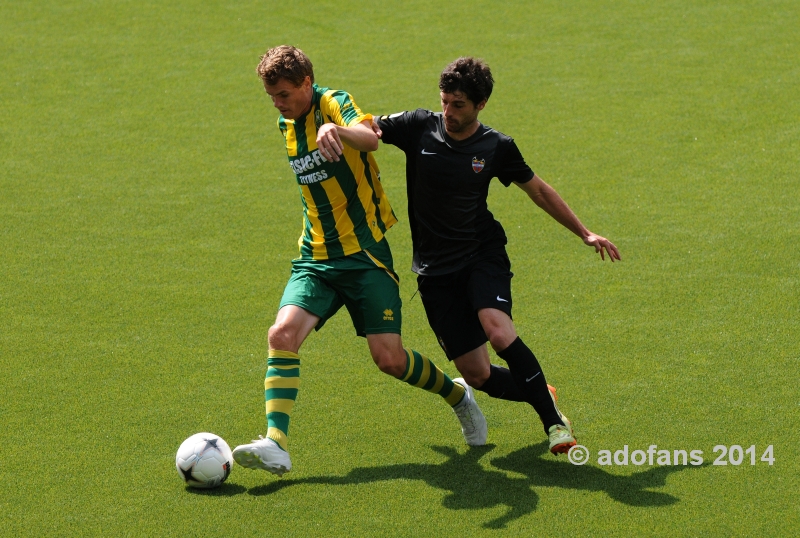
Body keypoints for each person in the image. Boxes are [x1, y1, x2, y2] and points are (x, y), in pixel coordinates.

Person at [232, 46, 487, 478]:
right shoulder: (285, 124)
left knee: (389, 359)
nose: (278, 103)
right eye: (272, 95)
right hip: (316, 256)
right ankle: (276, 443)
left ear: (307, 84)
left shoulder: (333, 102)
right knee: (282, 333)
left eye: (285, 94)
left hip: (365, 255)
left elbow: (371, 137)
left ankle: (458, 396)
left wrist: (337, 129)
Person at [374, 57, 621, 455]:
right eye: (445, 102)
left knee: (498, 330)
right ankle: (541, 389)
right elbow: (368, 125)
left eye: (459, 105)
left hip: (480, 254)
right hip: (435, 271)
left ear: (481, 104)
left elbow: (537, 190)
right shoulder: (419, 125)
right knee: (479, 375)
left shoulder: (495, 146)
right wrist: (336, 127)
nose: (449, 113)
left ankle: (555, 424)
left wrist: (584, 232)